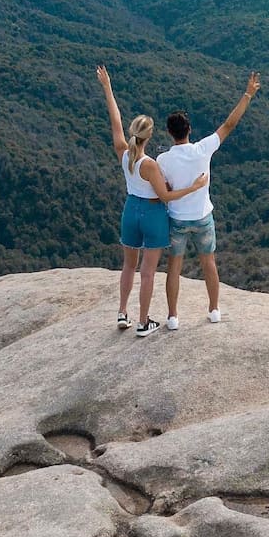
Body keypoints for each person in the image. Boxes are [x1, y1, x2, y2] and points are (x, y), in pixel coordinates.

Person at [96, 64, 208, 338]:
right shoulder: (150, 165)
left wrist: (107, 88)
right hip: (152, 214)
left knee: (128, 265)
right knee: (147, 271)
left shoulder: (124, 154)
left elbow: (115, 120)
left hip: (130, 209)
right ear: (149, 136)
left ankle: (123, 312)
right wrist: (194, 186)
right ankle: (144, 321)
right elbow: (166, 196)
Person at [158, 72, 261, 330]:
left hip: (177, 218)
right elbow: (228, 125)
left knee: (174, 267)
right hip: (203, 216)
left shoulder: (163, 160)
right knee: (209, 262)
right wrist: (247, 94)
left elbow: (166, 187)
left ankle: (172, 316)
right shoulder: (203, 149)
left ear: (170, 133)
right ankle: (214, 310)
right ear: (189, 130)